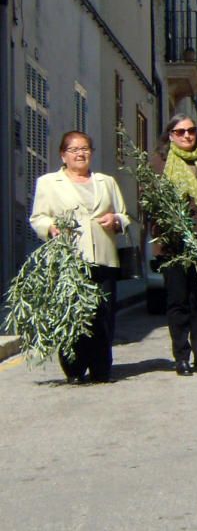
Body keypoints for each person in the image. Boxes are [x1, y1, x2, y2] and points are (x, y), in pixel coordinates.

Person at [29, 131, 130, 384]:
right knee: (72, 312)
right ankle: (74, 368)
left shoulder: (106, 182)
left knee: (103, 314)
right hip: (69, 259)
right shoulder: (49, 183)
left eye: (85, 148)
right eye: (74, 150)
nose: (80, 154)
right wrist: (51, 228)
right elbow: (38, 217)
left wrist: (116, 220)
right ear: (63, 155)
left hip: (103, 258)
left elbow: (125, 215)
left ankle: (101, 368)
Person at [150, 115, 197, 377]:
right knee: (178, 301)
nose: (187, 136)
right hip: (174, 242)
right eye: (180, 131)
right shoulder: (159, 163)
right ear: (170, 134)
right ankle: (181, 357)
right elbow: (146, 200)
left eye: (191, 131)